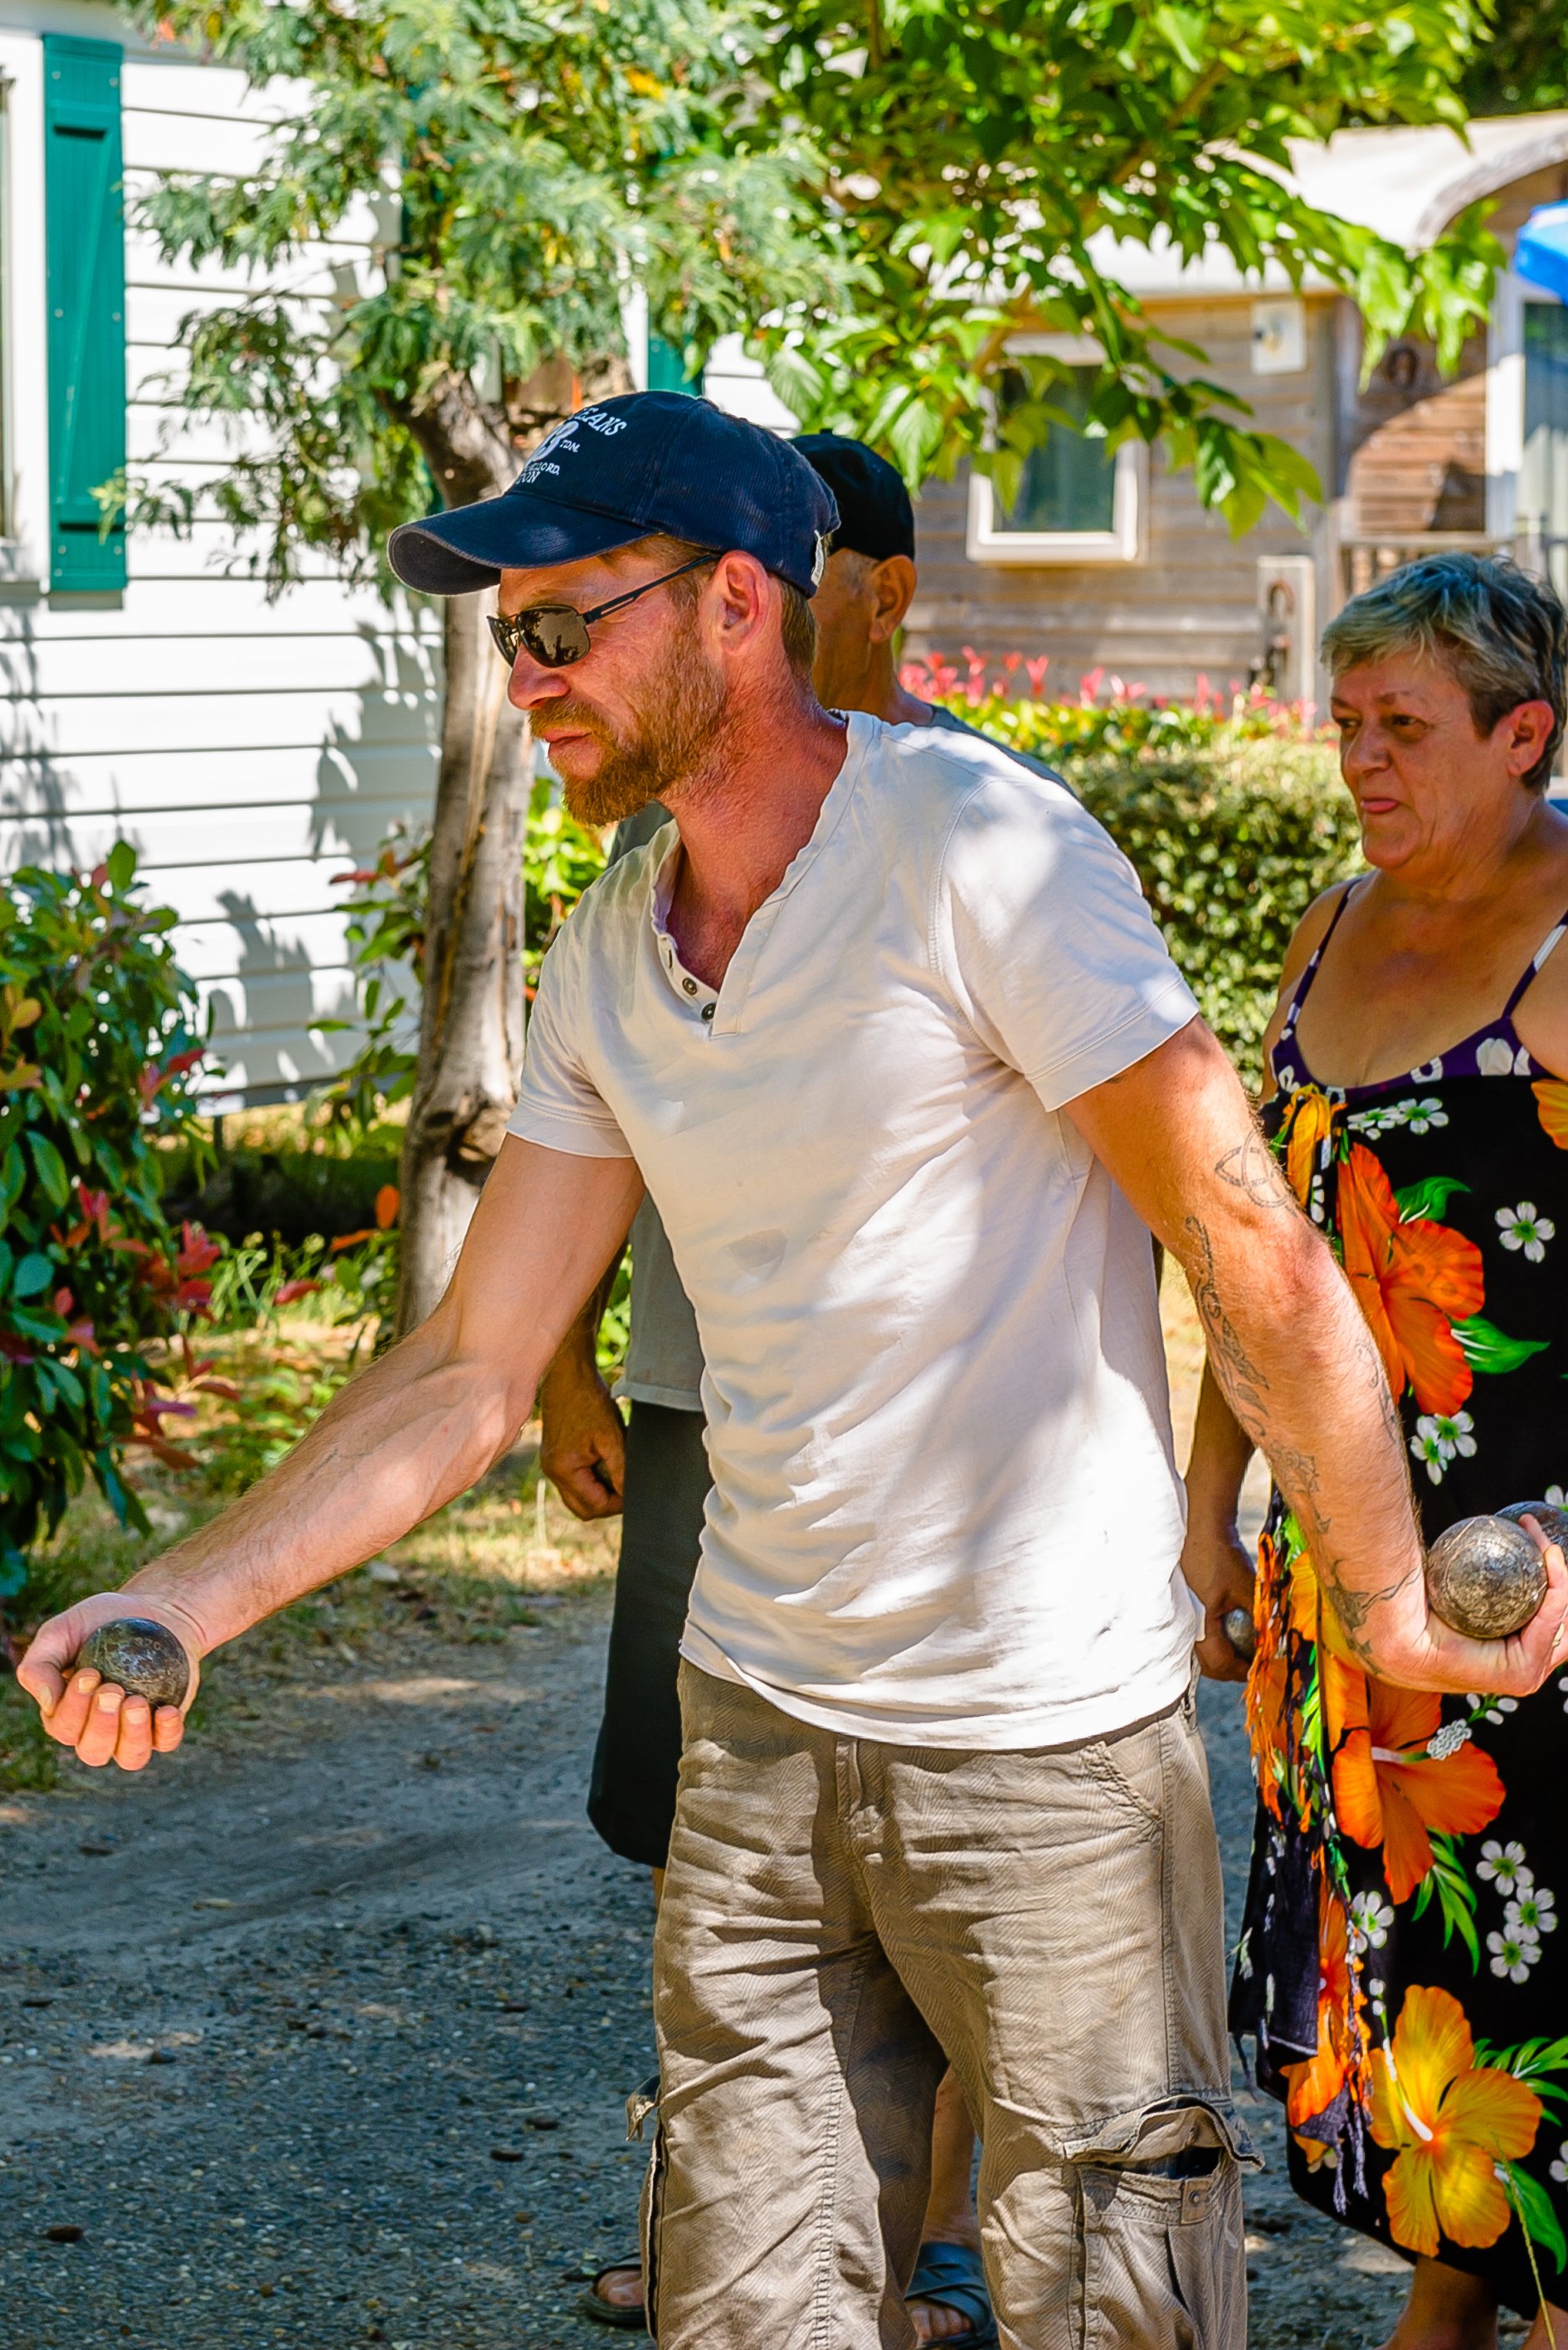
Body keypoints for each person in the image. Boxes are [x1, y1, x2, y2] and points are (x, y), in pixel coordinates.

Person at [16, 389, 1568, 2348]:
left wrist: (1385, 1599)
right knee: (745, 2315)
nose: (525, 679)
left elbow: (1246, 1248)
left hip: (1042, 1755)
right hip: (758, 1735)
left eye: (561, 624)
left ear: (736, 609)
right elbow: (468, 1364)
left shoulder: (977, 853)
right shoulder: (615, 942)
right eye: (505, 634)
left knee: (1112, 2313)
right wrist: (184, 1594)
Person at [1198, 553, 1568, 2350]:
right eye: (1346, 722)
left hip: (1551, 1578)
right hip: (1341, 1565)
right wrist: (1206, 1504)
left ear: (1524, 736)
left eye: (1405, 728)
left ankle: (1565, 2325)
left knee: (1563, 1957)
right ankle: (1443, 2303)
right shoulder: (1324, 924)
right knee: (1407, 1949)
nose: (1359, 758)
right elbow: (1255, 1249)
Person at [542, 430, 1014, 2343]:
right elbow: (590, 1135)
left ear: (872, 588)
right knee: (707, 1839)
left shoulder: (980, 832)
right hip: (689, 1398)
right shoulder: (659, 860)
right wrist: (561, 1360)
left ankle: (945, 2229)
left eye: (818, 559)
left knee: (951, 1871)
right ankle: (724, 2211)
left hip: (935, 1457)